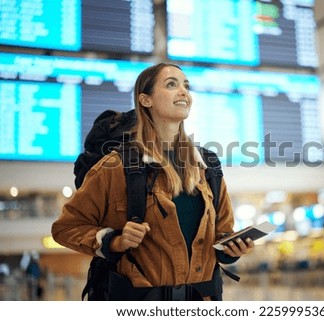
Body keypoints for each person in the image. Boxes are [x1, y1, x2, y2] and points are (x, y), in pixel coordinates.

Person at [52, 63, 254, 300]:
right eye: (171, 85)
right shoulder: (116, 167)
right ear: (145, 100)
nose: (183, 92)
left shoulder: (206, 166)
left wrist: (231, 250)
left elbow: (221, 234)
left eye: (186, 86)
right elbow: (66, 228)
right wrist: (114, 241)